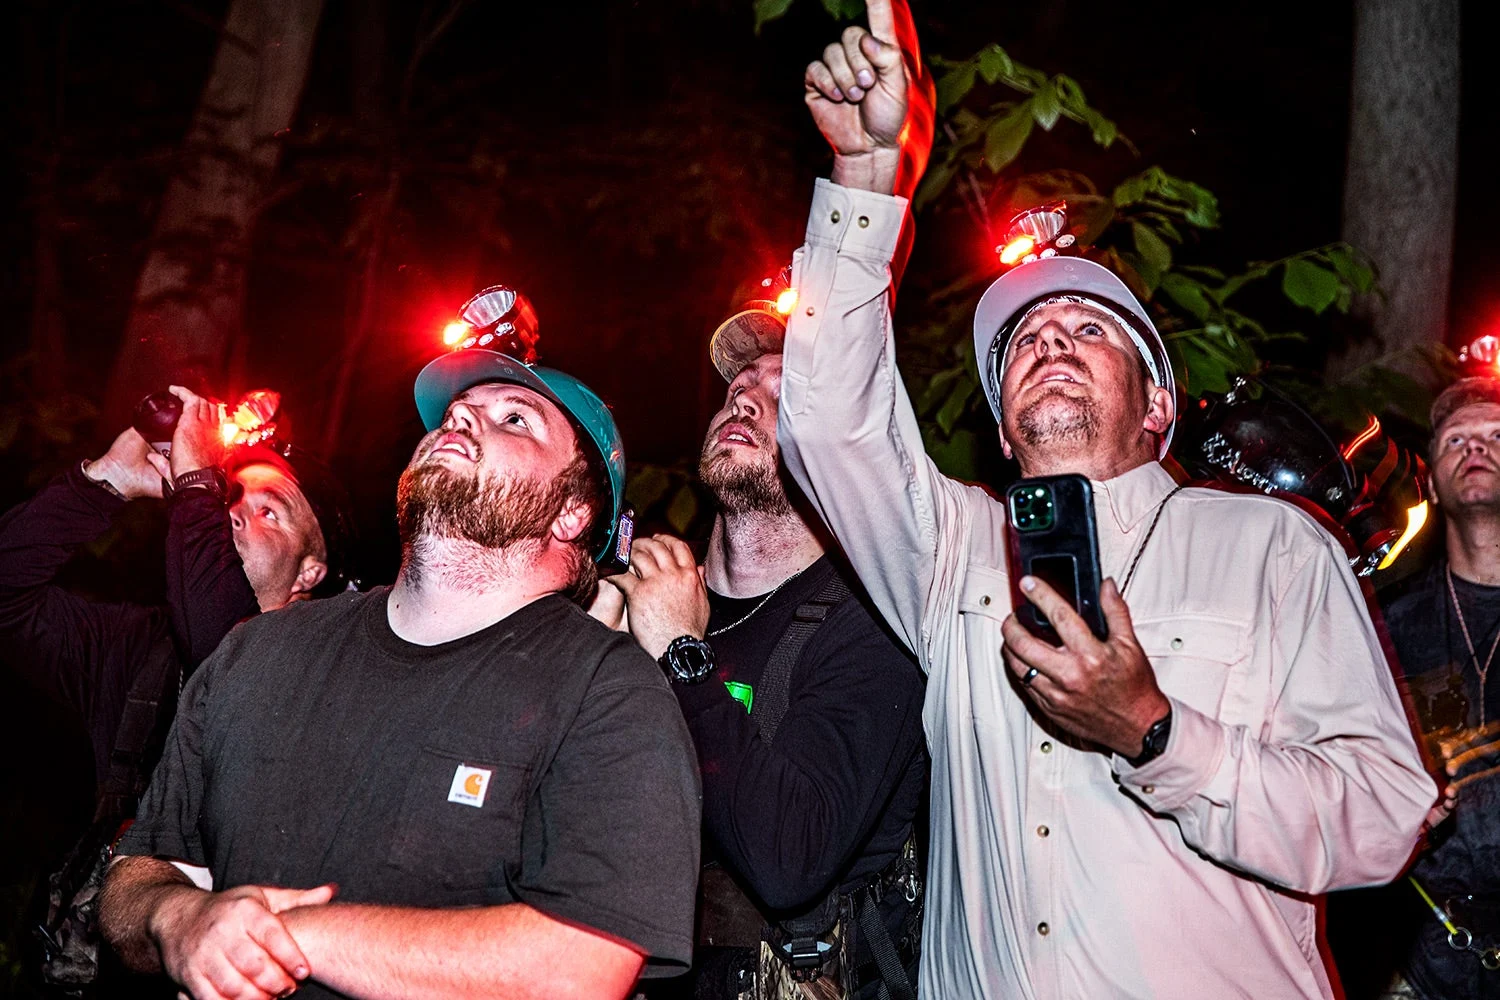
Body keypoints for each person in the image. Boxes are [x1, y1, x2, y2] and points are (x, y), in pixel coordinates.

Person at [773, 2, 1440, 995]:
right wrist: (871, 182)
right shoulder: (956, 547)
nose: (1047, 342)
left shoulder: (1271, 546)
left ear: (1158, 403)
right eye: (1024, 344)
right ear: (1002, 430)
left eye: (1088, 329)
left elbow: (1385, 817)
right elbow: (828, 422)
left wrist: (1155, 731)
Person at [97, 335, 702, 1000]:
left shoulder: (608, 690)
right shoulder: (255, 652)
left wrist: (289, 938)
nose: (463, 418)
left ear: (570, 513)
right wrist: (177, 917)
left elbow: (582, 966)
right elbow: (140, 875)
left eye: (514, 420)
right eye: (456, 413)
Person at [593, 304, 927, 999]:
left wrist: (683, 658)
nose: (745, 394)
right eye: (738, 385)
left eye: (785, 394)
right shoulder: (641, 596)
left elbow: (790, 858)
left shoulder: (872, 623)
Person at [0, 385, 347, 986]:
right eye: (231, 497)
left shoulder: (329, 669)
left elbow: (225, 648)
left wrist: (196, 485)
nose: (236, 509)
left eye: (271, 510)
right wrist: (101, 483)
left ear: (309, 573)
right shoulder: (137, 648)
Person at [1379, 377, 1500, 999]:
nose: (1475, 448)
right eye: (1456, 439)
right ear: (1429, 482)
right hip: (1416, 956)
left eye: (1496, 436)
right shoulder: (1380, 623)